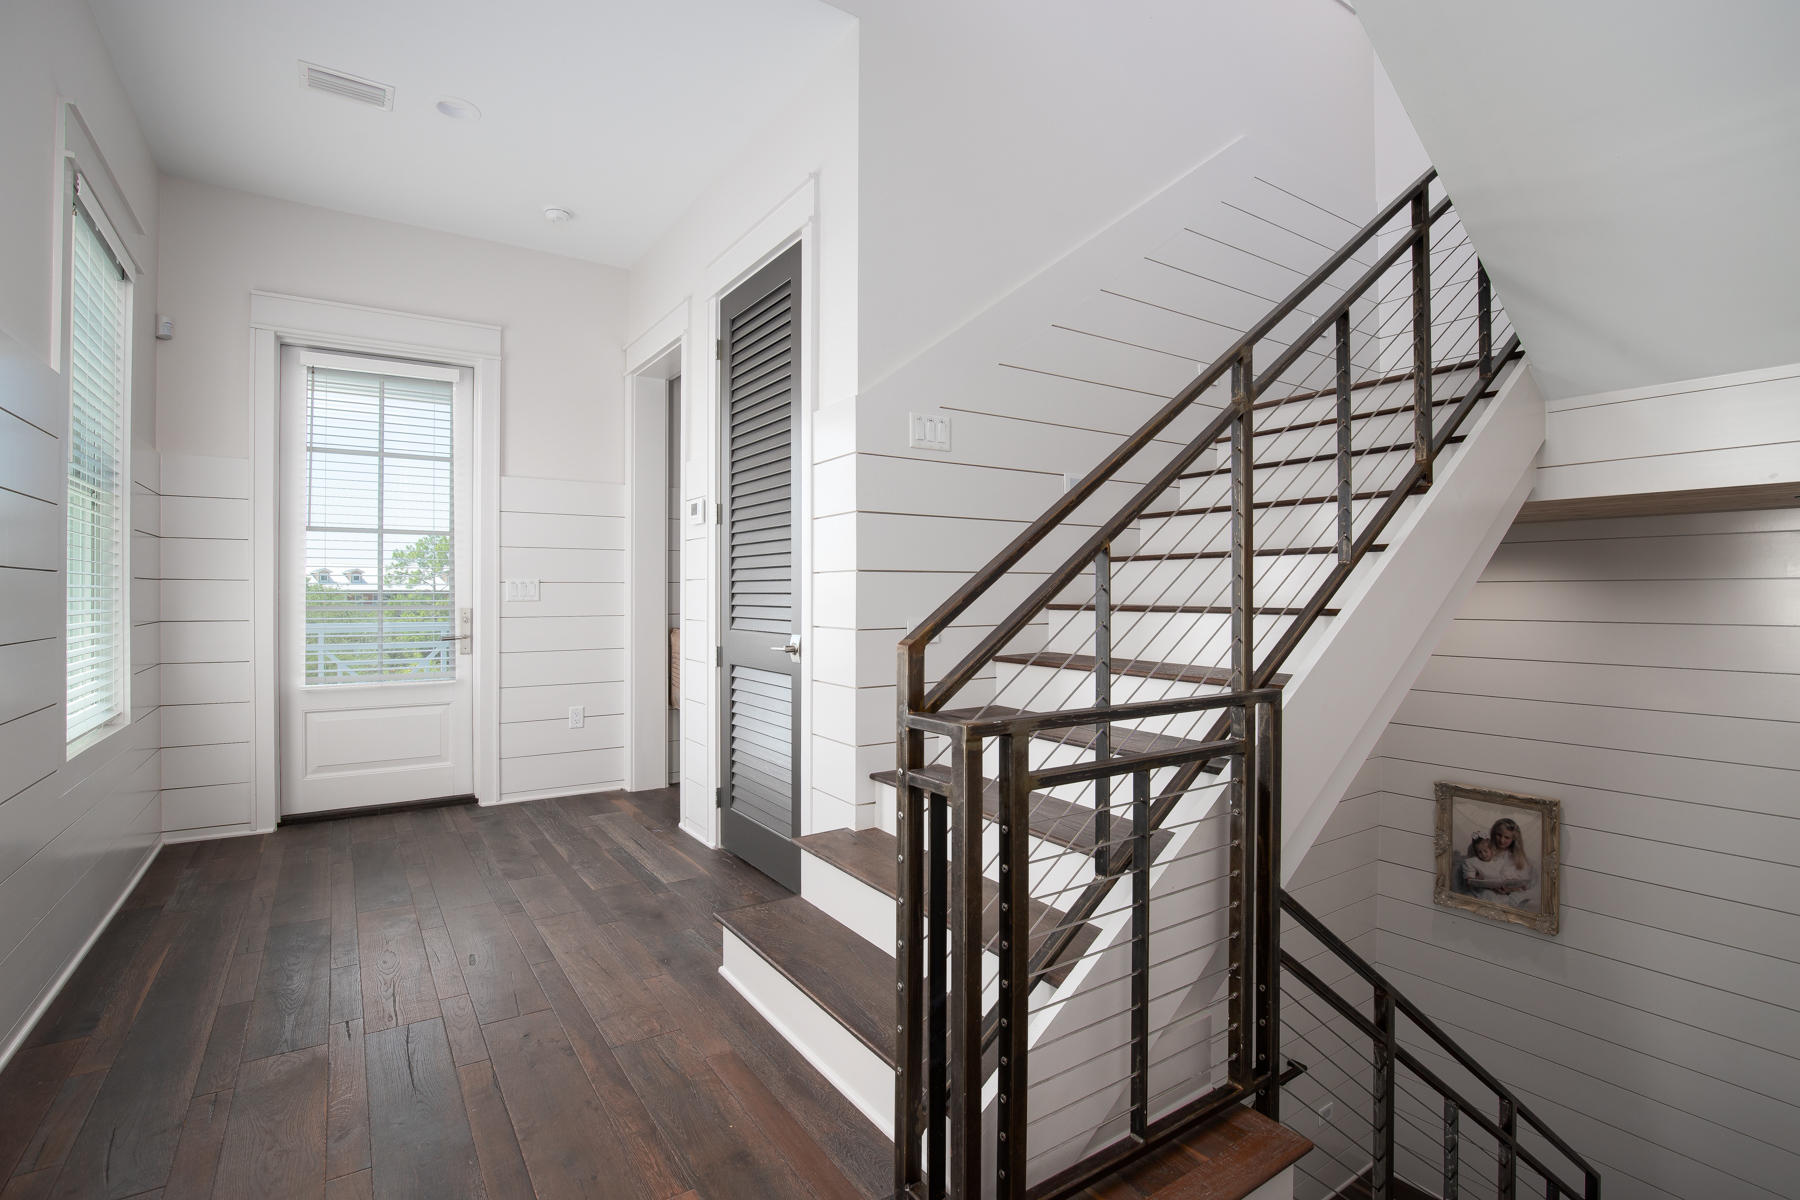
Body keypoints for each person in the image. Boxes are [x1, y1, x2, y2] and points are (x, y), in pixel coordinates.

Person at [1478, 817, 1535, 908]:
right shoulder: (1485, 850)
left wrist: (1509, 889)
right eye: (1499, 835)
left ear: (1513, 839)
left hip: (1507, 893)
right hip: (1487, 890)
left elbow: (1523, 885)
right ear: (1493, 834)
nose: (1501, 840)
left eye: (1507, 837)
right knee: (1486, 895)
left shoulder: (1516, 858)